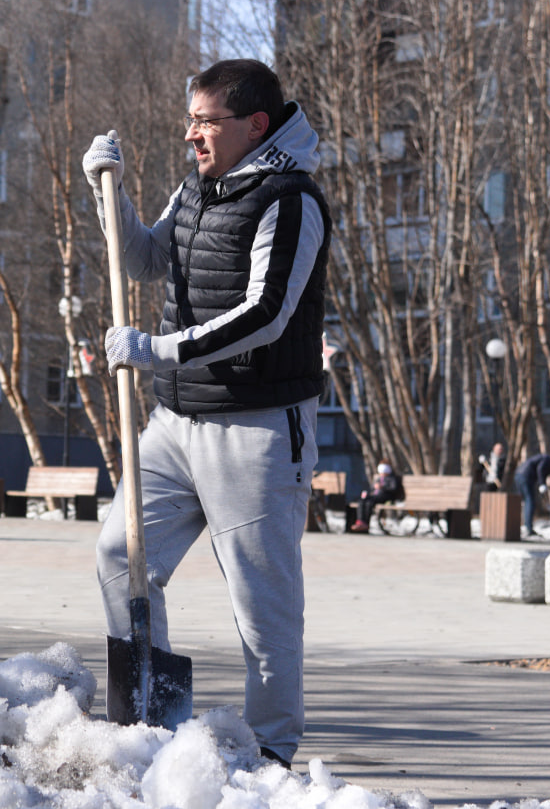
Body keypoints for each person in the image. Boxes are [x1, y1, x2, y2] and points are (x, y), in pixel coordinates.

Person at [83, 59, 329, 768]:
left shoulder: (291, 199)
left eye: (205, 121)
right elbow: (142, 259)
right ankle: (153, 716)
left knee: (261, 603)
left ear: (254, 125)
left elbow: (267, 314)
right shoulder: (197, 185)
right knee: (119, 556)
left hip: (256, 428)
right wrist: (111, 192)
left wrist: (158, 349)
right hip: (175, 421)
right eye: (189, 119)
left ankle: (272, 752)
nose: (192, 133)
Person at [513, 451, 550, 536]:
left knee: (525, 502)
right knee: (529, 501)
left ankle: (524, 526)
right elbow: (540, 469)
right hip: (525, 476)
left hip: (520, 474)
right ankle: (528, 528)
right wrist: (542, 484)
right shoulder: (549, 460)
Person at [349, 461, 405, 533]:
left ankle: (365, 523)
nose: (382, 474)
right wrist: (370, 491)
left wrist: (382, 487)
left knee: (369, 502)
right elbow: (372, 488)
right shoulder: (379, 478)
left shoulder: (391, 478)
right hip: (375, 496)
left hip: (385, 496)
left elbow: (393, 488)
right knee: (362, 500)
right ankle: (360, 522)